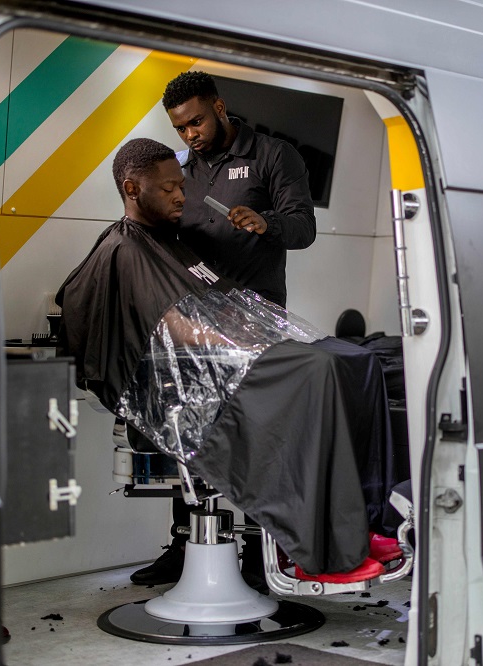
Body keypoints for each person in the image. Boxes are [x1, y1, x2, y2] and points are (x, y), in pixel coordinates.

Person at [56, 138, 398, 585]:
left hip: (224, 367)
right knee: (317, 371)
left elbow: (218, 305)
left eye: (182, 186)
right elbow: (177, 326)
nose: (181, 197)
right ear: (132, 189)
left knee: (358, 362)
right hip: (190, 393)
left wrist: (261, 337)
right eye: (169, 189)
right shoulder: (125, 249)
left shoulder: (171, 242)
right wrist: (250, 347)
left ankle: (362, 526)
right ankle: (318, 546)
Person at [131, 70, 318, 588]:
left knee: (256, 438)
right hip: (195, 327)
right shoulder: (181, 171)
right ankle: (185, 544)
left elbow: (303, 228)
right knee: (186, 432)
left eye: (195, 122)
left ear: (218, 106)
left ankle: (261, 553)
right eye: (179, 127)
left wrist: (266, 222)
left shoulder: (273, 155)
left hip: (256, 324)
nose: (189, 134)